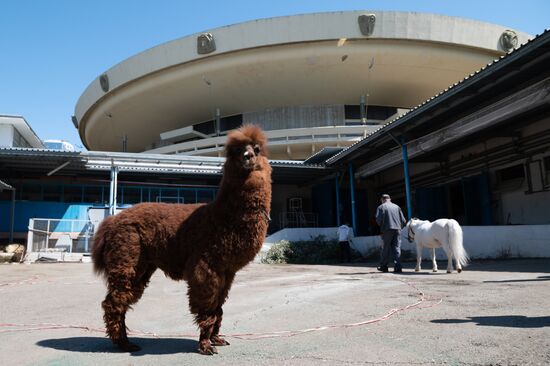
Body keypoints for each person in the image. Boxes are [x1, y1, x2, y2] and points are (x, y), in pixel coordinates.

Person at [375, 194, 407, 273]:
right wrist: (399, 227)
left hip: (387, 229)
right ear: (390, 199)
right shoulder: (397, 207)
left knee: (385, 248)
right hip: (397, 229)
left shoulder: (381, 207)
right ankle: (398, 267)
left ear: (382, 199)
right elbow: (403, 221)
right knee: (396, 247)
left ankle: (384, 266)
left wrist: (382, 228)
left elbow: (378, 220)